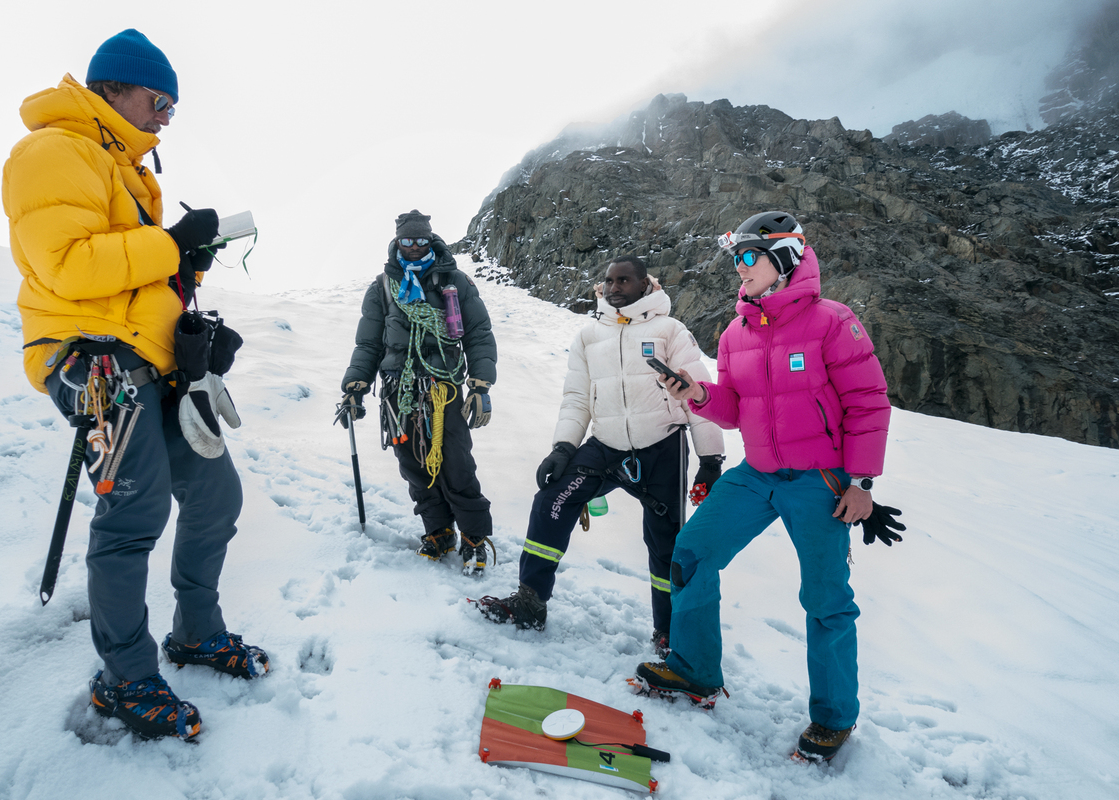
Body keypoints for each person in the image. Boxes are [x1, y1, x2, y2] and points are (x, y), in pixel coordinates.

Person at [2, 29, 267, 741]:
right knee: (136, 509)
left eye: (172, 106)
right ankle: (124, 678)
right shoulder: (52, 150)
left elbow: (134, 274)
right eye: (160, 100)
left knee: (216, 493)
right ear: (116, 88)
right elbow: (68, 265)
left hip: (153, 362)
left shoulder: (128, 170)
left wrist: (190, 275)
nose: (167, 116)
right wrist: (172, 242)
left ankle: (195, 632)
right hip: (91, 360)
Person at [631, 211, 903, 762]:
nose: (740, 267)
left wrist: (861, 483)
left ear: (786, 259)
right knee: (691, 554)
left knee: (826, 600)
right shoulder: (736, 332)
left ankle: (833, 718)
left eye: (749, 256)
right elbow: (736, 408)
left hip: (820, 480)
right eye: (736, 259)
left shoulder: (833, 321)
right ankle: (694, 671)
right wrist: (699, 394)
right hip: (756, 474)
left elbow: (868, 403)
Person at [475, 256, 727, 649]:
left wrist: (710, 460)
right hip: (605, 447)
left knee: (666, 544)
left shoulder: (670, 330)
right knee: (551, 501)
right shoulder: (589, 336)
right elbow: (577, 397)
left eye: (623, 280)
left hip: (663, 448)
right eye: (608, 280)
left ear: (646, 284)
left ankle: (668, 632)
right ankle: (530, 601)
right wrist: (563, 447)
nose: (613, 287)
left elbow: (698, 393)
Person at [340, 211, 498, 574]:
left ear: (430, 240)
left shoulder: (454, 280)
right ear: (397, 242)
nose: (413, 247)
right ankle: (439, 532)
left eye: (420, 240)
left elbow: (478, 334)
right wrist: (355, 386)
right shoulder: (382, 287)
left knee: (455, 461)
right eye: (407, 241)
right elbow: (368, 343)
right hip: (399, 389)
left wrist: (481, 382)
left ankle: (474, 538)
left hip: (443, 386)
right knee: (412, 462)